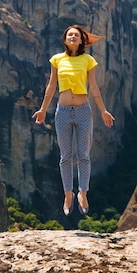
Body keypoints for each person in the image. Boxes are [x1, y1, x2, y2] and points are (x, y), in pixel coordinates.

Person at [32, 25, 115, 216]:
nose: (72, 37)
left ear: (81, 40)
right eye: (69, 34)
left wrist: (103, 111)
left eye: (76, 35)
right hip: (62, 112)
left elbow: (93, 87)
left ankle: (83, 193)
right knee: (66, 156)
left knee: (83, 154)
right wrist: (43, 110)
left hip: (83, 110)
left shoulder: (88, 60)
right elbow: (51, 86)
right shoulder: (57, 60)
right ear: (65, 39)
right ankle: (68, 194)